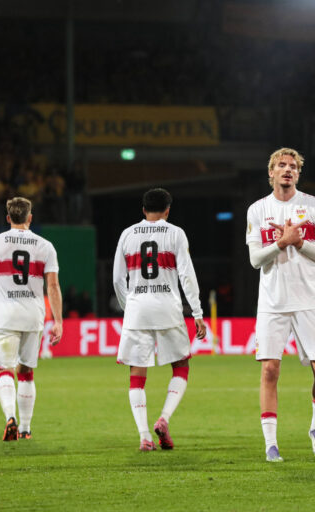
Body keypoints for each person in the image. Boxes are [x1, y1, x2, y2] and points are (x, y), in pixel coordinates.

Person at [246, 147, 315, 462]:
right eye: (281, 165)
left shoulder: (314, 206)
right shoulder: (258, 210)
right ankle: (271, 443)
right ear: (270, 172)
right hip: (273, 302)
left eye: (293, 166)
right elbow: (255, 259)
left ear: (298, 173)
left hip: (310, 301)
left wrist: (300, 243)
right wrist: (280, 243)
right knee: (270, 370)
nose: (287, 170)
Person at [112, 188, 206, 452]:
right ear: (167, 211)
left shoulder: (127, 234)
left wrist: (127, 305)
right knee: (181, 366)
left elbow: (118, 279)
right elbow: (187, 275)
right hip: (168, 308)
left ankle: (144, 437)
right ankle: (163, 418)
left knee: (136, 373)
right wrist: (197, 313)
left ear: (143, 210)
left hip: (137, 309)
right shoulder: (175, 233)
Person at [0, 197, 63, 441]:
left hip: (4, 316)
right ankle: (25, 428)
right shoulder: (45, 246)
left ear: (8, 218)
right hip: (33, 316)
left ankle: (9, 417)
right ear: (30, 218)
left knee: (4, 369)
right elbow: (52, 286)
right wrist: (58, 321)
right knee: (26, 371)